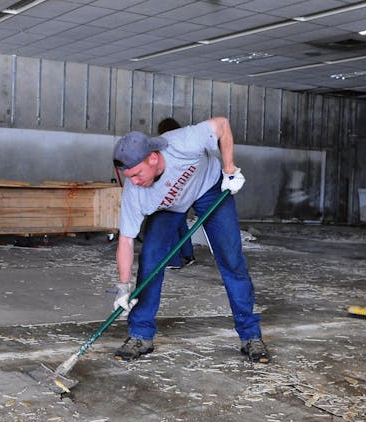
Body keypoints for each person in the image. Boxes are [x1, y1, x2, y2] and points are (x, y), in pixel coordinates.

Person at [111, 116, 269, 364]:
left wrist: (229, 169)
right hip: (172, 205)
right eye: (129, 176)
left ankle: (250, 335)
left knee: (231, 258)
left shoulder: (182, 142)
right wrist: (123, 287)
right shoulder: (136, 191)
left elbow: (223, 125)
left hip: (209, 188)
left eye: (138, 174)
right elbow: (126, 240)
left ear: (153, 158)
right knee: (151, 259)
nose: (135, 181)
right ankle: (140, 334)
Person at [157, 117, 195, 270]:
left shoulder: (167, 146)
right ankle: (187, 255)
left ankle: (173, 260)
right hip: (187, 189)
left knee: (169, 224)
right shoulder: (186, 145)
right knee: (181, 223)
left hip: (172, 190)